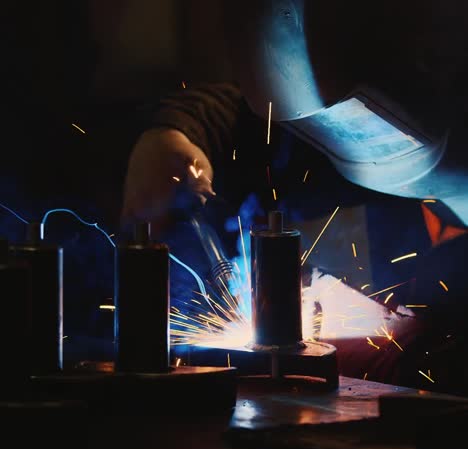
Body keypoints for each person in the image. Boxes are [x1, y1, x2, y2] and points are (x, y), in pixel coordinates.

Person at [121, 1, 468, 395]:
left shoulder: (431, 116)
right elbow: (241, 114)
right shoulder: (302, 127)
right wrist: (173, 133)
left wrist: (417, 350)